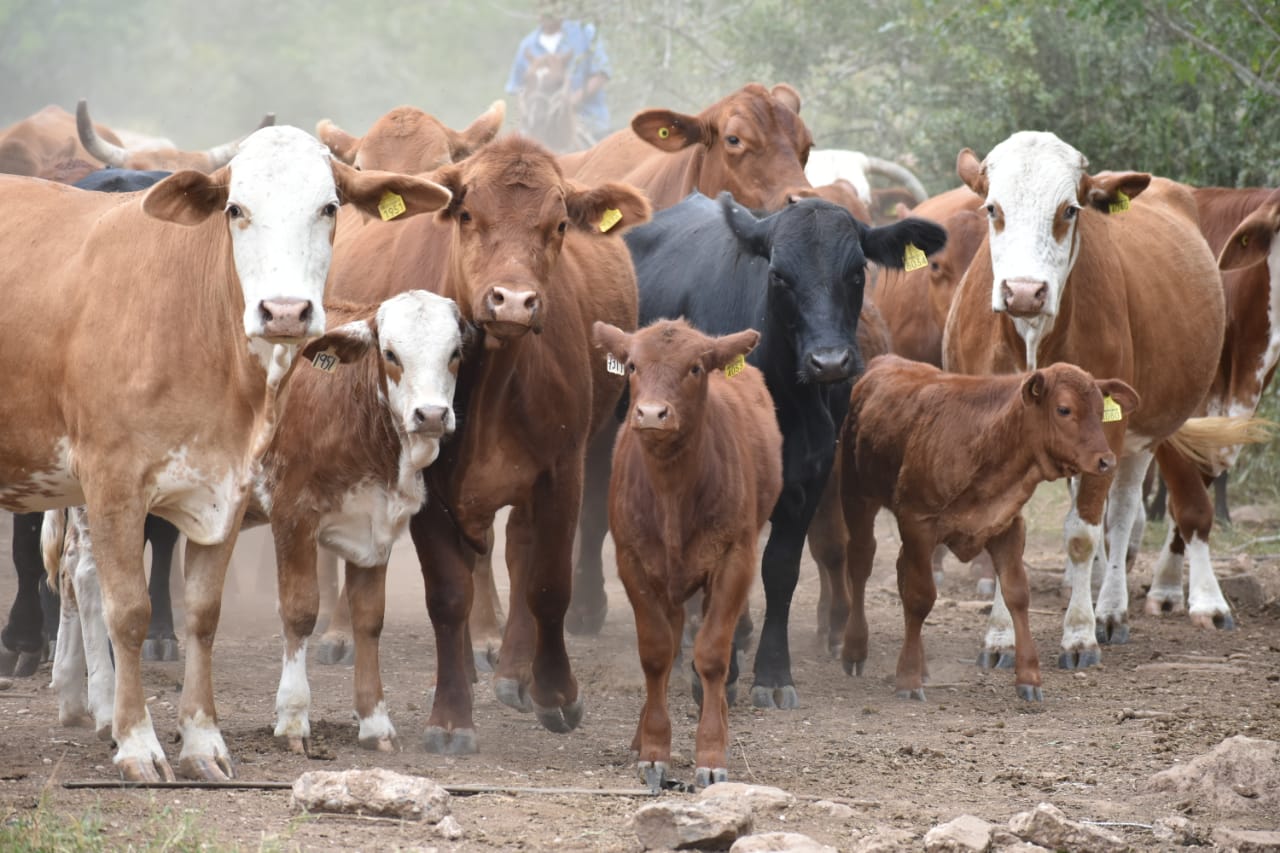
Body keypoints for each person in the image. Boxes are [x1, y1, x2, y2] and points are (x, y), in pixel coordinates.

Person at [505, 3, 611, 142]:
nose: (547, 11)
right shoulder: (527, 45)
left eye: (552, 4)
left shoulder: (585, 33)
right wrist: (528, 114)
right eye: (542, 5)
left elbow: (601, 74)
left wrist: (570, 102)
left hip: (588, 119)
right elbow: (518, 88)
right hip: (539, 127)